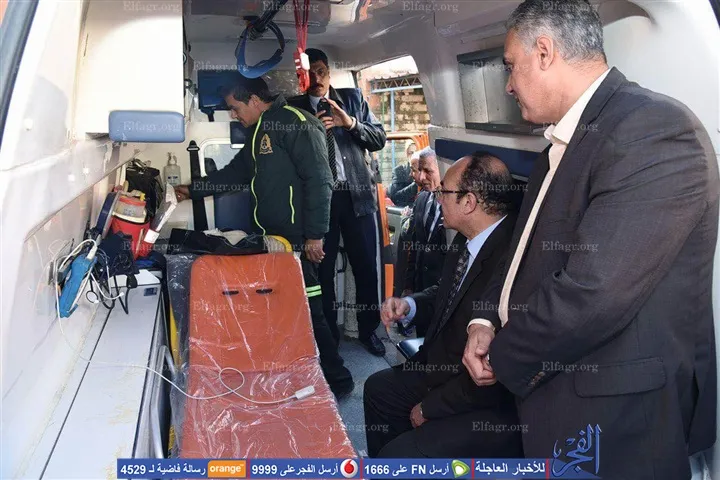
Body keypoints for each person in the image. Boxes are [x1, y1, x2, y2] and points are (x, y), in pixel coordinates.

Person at [462, 1, 718, 478]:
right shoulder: (561, 145)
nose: (509, 85)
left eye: (511, 66)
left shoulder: (654, 130)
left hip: (619, 420)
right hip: (559, 391)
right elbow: (520, 252)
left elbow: (595, 293)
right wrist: (484, 318)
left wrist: (503, 355)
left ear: (544, 52)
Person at [174, 74, 354, 399]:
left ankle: (338, 381)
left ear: (255, 100)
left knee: (310, 312)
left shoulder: (297, 123)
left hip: (298, 242)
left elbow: (320, 180)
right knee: (282, 310)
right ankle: (294, 373)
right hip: (271, 240)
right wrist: (193, 190)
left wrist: (315, 236)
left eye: (235, 108)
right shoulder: (259, 131)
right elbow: (236, 173)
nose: (234, 115)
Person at [363, 153, 521, 458]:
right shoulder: (467, 237)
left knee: (397, 455)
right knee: (377, 390)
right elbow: (447, 292)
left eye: (443, 192)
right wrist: (409, 304)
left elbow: (489, 374)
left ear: (468, 202)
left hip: (479, 395)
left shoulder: (512, 258)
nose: (437, 198)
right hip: (438, 365)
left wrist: (430, 408)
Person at [288, 48, 388, 356]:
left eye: (321, 71)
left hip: (357, 196)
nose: (316, 79)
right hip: (320, 200)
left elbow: (379, 138)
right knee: (323, 271)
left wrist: (351, 124)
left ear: (329, 72)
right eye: (310, 74)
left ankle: (369, 330)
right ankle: (327, 337)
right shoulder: (292, 109)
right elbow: (288, 157)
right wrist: (311, 133)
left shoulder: (353, 99)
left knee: (366, 268)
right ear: (301, 77)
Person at [401, 147, 446, 337]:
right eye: (419, 170)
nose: (420, 177)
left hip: (443, 296)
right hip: (420, 293)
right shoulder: (421, 200)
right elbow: (415, 248)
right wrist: (409, 286)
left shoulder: (458, 206)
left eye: (427, 171)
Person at [387, 141, 418, 207]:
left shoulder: (426, 171)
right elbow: (396, 198)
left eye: (417, 152)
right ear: (407, 154)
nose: (414, 156)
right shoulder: (399, 171)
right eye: (411, 153)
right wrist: (415, 186)